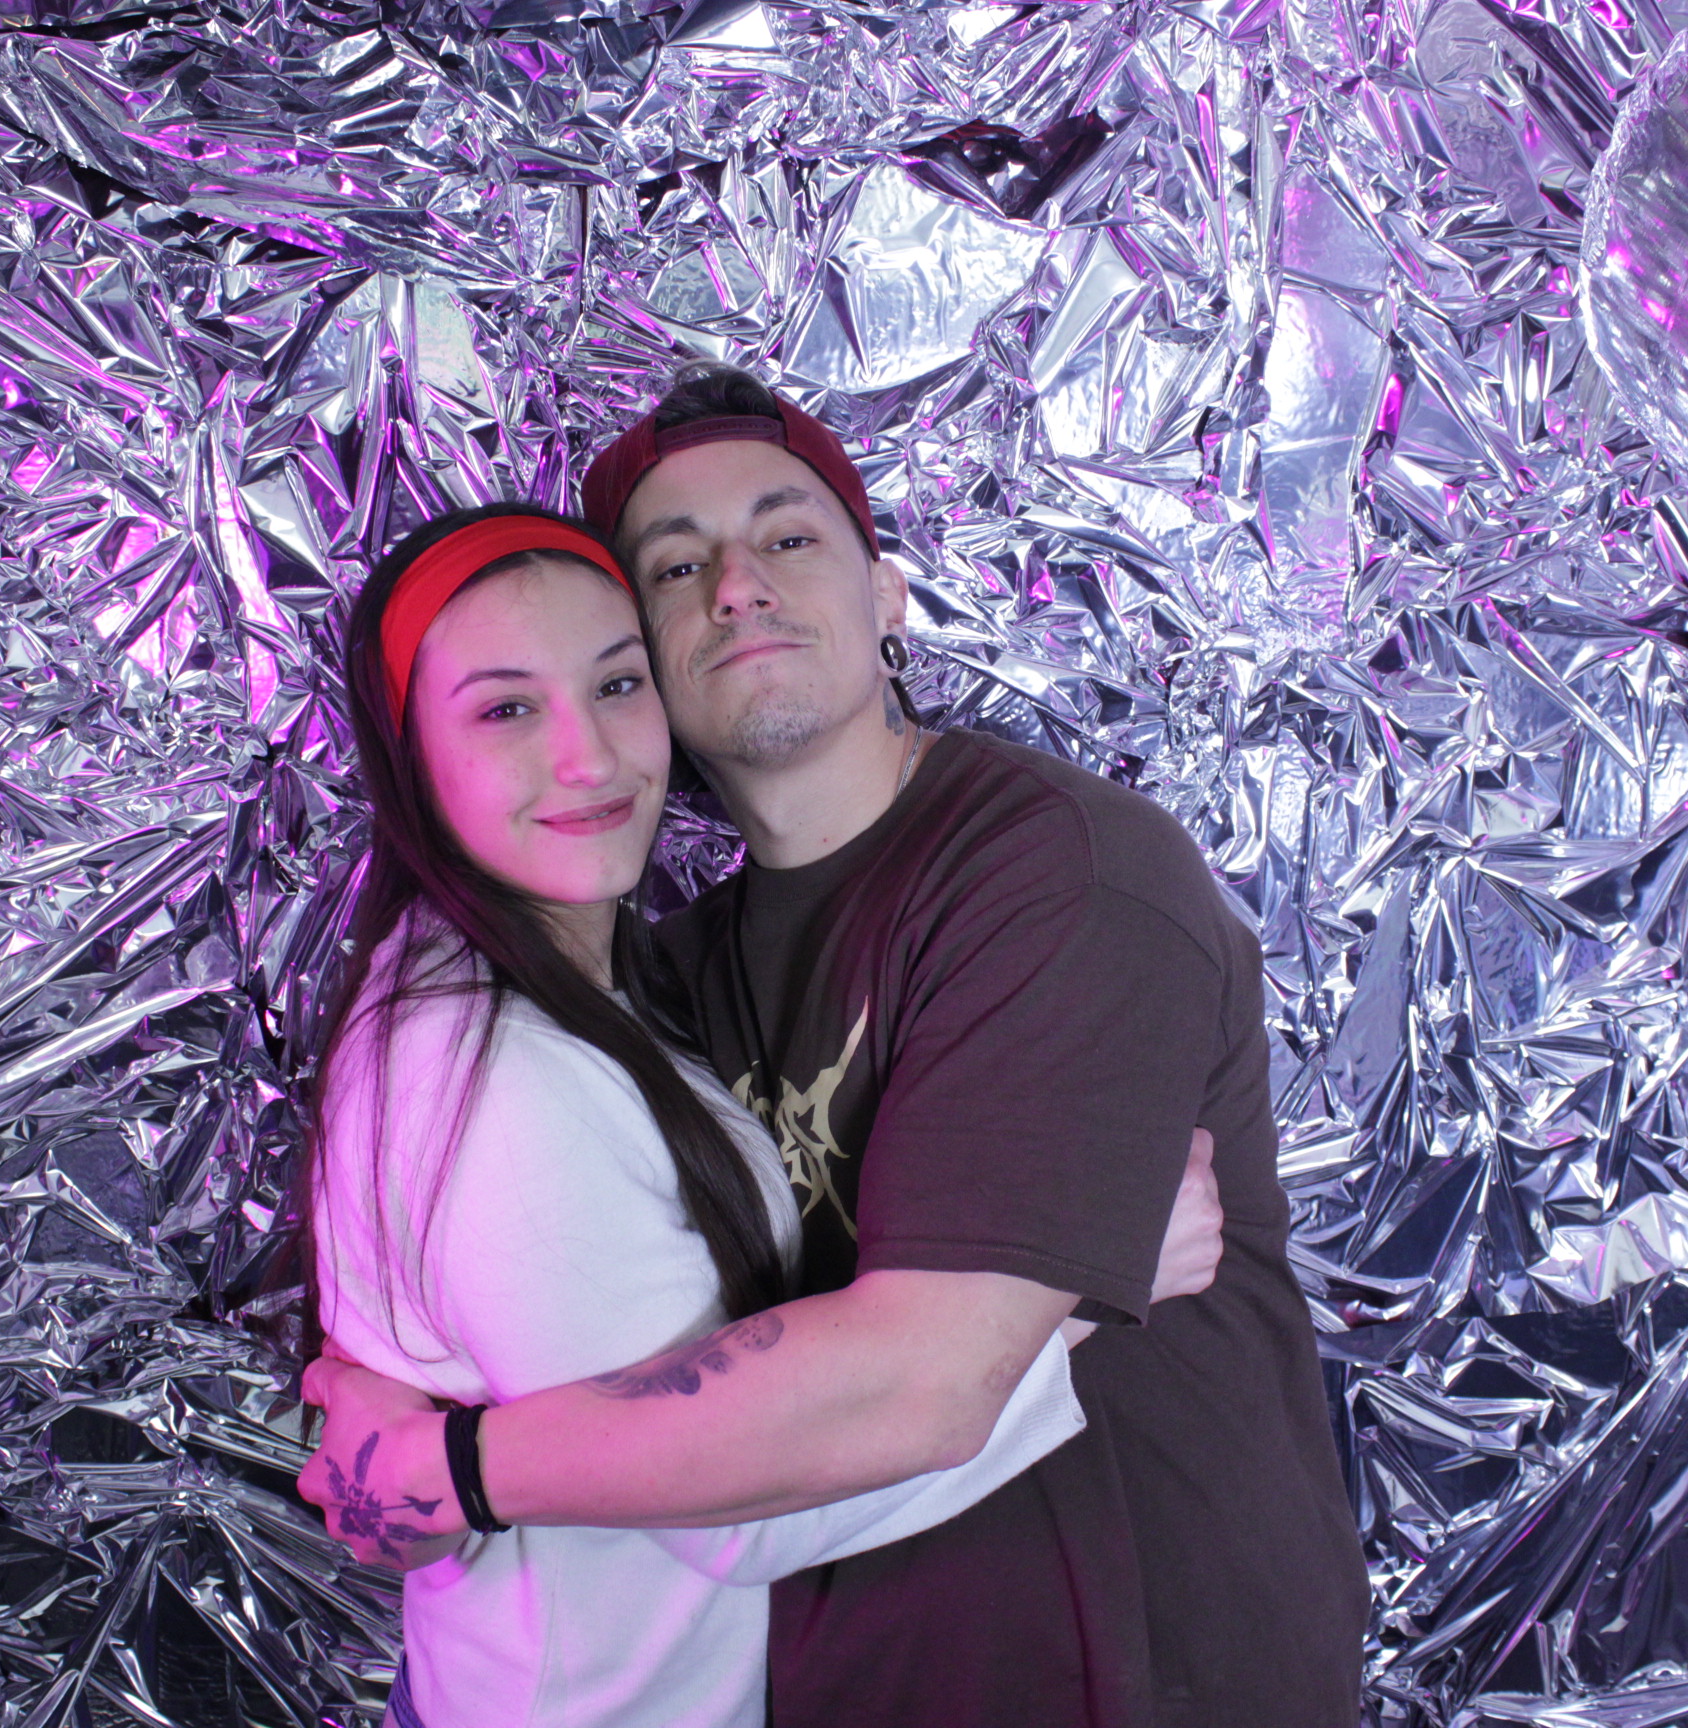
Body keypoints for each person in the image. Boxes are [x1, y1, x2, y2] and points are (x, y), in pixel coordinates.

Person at [301, 371, 1368, 1727]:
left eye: (789, 535)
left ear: (888, 594)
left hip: (1144, 1675)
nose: (737, 585)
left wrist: (454, 1467)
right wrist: (400, 1418)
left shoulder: (1057, 878)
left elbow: (925, 1383)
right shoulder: (658, 982)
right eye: (675, 565)